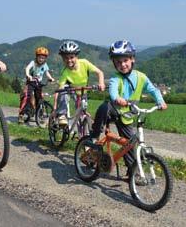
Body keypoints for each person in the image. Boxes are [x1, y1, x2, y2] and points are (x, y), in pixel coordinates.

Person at [90, 40, 167, 177]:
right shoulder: (116, 78)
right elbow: (113, 90)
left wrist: (160, 101)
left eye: (125, 60)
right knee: (104, 106)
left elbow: (154, 90)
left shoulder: (141, 77)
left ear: (132, 59)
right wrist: (117, 98)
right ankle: (95, 136)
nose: (122, 65)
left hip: (127, 115)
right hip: (114, 110)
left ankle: (132, 172)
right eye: (118, 62)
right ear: (114, 63)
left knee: (130, 144)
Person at [54, 40, 105, 126]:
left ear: (76, 56)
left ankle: (82, 134)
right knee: (63, 90)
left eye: (71, 57)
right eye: (66, 58)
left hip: (83, 91)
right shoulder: (65, 72)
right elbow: (60, 87)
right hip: (72, 90)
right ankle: (62, 115)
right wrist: (55, 106)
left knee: (82, 113)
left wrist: (101, 83)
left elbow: (99, 72)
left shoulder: (84, 63)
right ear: (62, 58)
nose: (69, 60)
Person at [18, 47, 55, 123]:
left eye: (43, 58)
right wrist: (28, 75)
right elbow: (27, 68)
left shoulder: (45, 65)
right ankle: (21, 115)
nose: (41, 59)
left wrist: (51, 78)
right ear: (36, 57)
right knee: (27, 96)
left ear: (45, 59)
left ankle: (39, 115)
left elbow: (47, 73)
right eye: (40, 57)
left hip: (38, 83)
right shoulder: (33, 62)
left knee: (40, 98)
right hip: (31, 82)